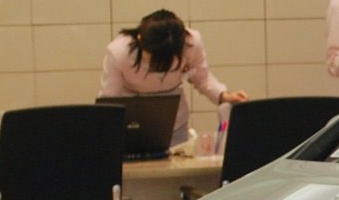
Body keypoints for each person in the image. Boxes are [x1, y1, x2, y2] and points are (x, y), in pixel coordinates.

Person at [101, 9, 248, 147]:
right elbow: (110, 100)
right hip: (133, 124)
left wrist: (224, 95)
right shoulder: (119, 52)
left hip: (175, 124)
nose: (160, 67)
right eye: (155, 59)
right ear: (140, 40)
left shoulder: (191, 43)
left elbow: (202, 78)